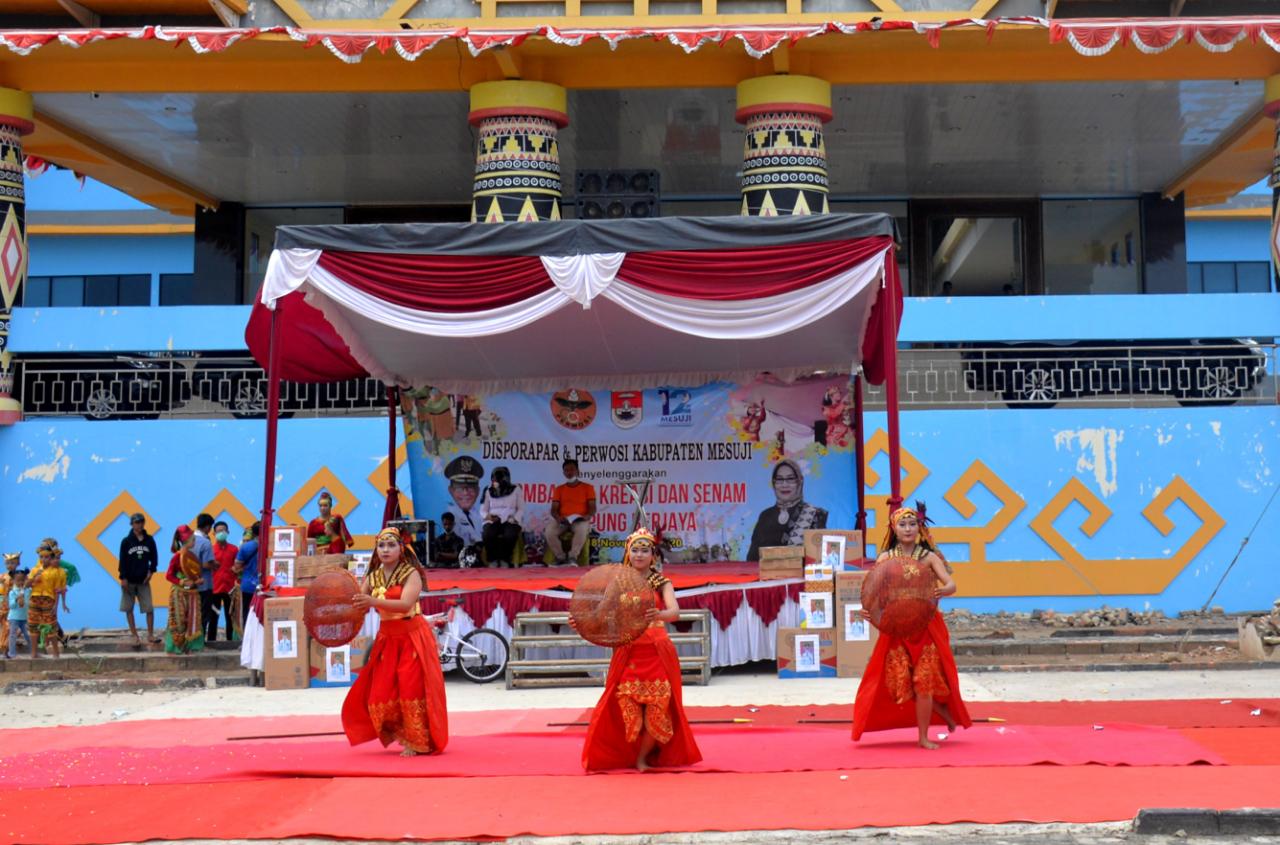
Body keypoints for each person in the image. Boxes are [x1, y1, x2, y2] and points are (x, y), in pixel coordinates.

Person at [574, 528, 701, 772]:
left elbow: (674, 612)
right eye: (635, 550)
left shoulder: (662, 582)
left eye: (645, 550)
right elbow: (600, 615)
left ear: (653, 555)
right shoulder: (619, 583)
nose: (640, 554)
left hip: (657, 651)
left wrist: (660, 613)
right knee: (630, 712)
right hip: (629, 650)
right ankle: (628, 754)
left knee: (656, 711)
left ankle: (643, 759)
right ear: (627, 553)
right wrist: (582, 622)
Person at [851, 505, 971, 750]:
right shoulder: (885, 559)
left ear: (919, 528)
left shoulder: (929, 558)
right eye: (902, 525)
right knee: (902, 683)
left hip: (925, 626)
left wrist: (944, 589)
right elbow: (873, 593)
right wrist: (869, 612)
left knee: (924, 680)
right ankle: (942, 711)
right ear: (893, 529)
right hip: (896, 628)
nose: (907, 529)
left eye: (912, 524)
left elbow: (951, 584)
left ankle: (923, 737)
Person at [342, 527, 448, 757]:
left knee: (411, 689)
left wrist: (371, 601)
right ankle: (400, 733)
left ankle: (417, 741)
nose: (385, 550)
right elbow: (359, 605)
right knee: (380, 692)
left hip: (412, 637)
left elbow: (405, 605)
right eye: (381, 545)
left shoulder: (411, 574)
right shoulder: (372, 577)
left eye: (391, 545)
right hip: (387, 639)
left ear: (401, 548)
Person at [746, 459, 829, 561]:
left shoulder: (814, 514)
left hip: (800, 576)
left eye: (790, 479)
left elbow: (819, 559)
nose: (784, 485)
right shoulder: (765, 516)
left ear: (799, 482)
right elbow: (752, 559)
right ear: (774, 484)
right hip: (766, 575)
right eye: (780, 480)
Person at [544, 458, 596, 566]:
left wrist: (588, 516)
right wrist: (558, 518)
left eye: (572, 469)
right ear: (563, 473)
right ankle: (561, 557)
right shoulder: (559, 489)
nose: (569, 472)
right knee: (549, 531)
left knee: (582, 529)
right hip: (563, 520)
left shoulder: (588, 487)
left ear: (577, 471)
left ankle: (573, 557)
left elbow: (592, 507)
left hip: (580, 520)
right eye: (566, 470)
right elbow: (554, 509)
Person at [117, 513, 159, 646]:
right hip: (129, 580)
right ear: (131, 524)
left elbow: (154, 558)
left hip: (143, 581)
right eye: (136, 522)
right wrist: (123, 577)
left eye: (141, 522)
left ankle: (150, 634)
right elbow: (122, 561)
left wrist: (151, 572)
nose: (139, 525)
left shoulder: (149, 540)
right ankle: (134, 635)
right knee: (129, 608)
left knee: (149, 608)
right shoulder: (126, 541)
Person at [165, 525, 205, 654]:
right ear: (187, 541)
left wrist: (198, 580)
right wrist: (182, 581)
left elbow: (195, 573)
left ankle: (192, 646)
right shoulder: (177, 557)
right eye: (193, 540)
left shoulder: (191, 556)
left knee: (193, 619)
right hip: (179, 593)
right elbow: (169, 575)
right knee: (179, 620)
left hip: (192, 592)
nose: (194, 542)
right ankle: (177, 646)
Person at [28, 542, 69, 659]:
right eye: (41, 557)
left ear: (51, 558)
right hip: (34, 598)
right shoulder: (35, 569)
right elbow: (26, 585)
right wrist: (34, 578)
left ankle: (56, 653)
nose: (43, 559)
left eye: (46, 557)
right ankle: (34, 653)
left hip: (48, 599)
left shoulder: (56, 572)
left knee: (50, 626)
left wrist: (56, 605)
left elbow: (57, 591)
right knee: (33, 625)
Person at [480, 466, 524, 567]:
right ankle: (492, 559)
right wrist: (488, 516)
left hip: (510, 519)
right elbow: (482, 510)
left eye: (497, 480)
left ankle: (505, 559)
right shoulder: (488, 490)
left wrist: (514, 518)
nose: (495, 483)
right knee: (487, 534)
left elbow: (521, 509)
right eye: (493, 480)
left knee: (510, 535)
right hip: (493, 519)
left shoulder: (516, 490)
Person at [443, 455, 485, 551]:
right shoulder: (447, 515)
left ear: (478, 491)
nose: (465, 492)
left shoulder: (480, 515)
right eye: (460, 487)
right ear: (451, 490)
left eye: (470, 487)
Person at [211, 521, 242, 642]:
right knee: (214, 616)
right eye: (218, 531)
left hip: (230, 589)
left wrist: (236, 570)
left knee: (230, 617)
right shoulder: (211, 550)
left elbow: (239, 566)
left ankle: (231, 641)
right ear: (214, 533)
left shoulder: (234, 549)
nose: (221, 533)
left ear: (228, 532)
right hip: (215, 588)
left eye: (223, 530)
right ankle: (211, 641)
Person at [193, 513, 218, 642]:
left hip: (190, 583)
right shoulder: (205, 542)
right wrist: (214, 564)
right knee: (204, 613)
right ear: (208, 526)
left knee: (192, 613)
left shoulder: (189, 540)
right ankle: (200, 640)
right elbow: (205, 563)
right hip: (205, 583)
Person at [234, 523, 260, 625]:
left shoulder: (246, 547)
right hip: (266, 586)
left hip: (248, 585)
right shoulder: (271, 545)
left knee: (248, 613)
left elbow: (237, 566)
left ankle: (247, 637)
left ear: (253, 533)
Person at [7, 569, 30, 659]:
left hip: (24, 617)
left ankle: (33, 652)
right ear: (13, 581)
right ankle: (12, 653)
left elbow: (28, 602)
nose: (20, 582)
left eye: (22, 580)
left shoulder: (27, 590)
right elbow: (11, 606)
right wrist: (17, 599)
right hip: (14, 618)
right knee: (13, 635)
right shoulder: (12, 592)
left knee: (28, 635)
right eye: (18, 580)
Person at [0, 552, 19, 654]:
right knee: (4, 626)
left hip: (15, 606)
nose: (10, 565)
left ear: (17, 564)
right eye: (8, 563)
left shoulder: (20, 576)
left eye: (12, 563)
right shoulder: (2, 576)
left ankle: (6, 647)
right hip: (4, 605)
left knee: (11, 627)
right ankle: (3, 646)